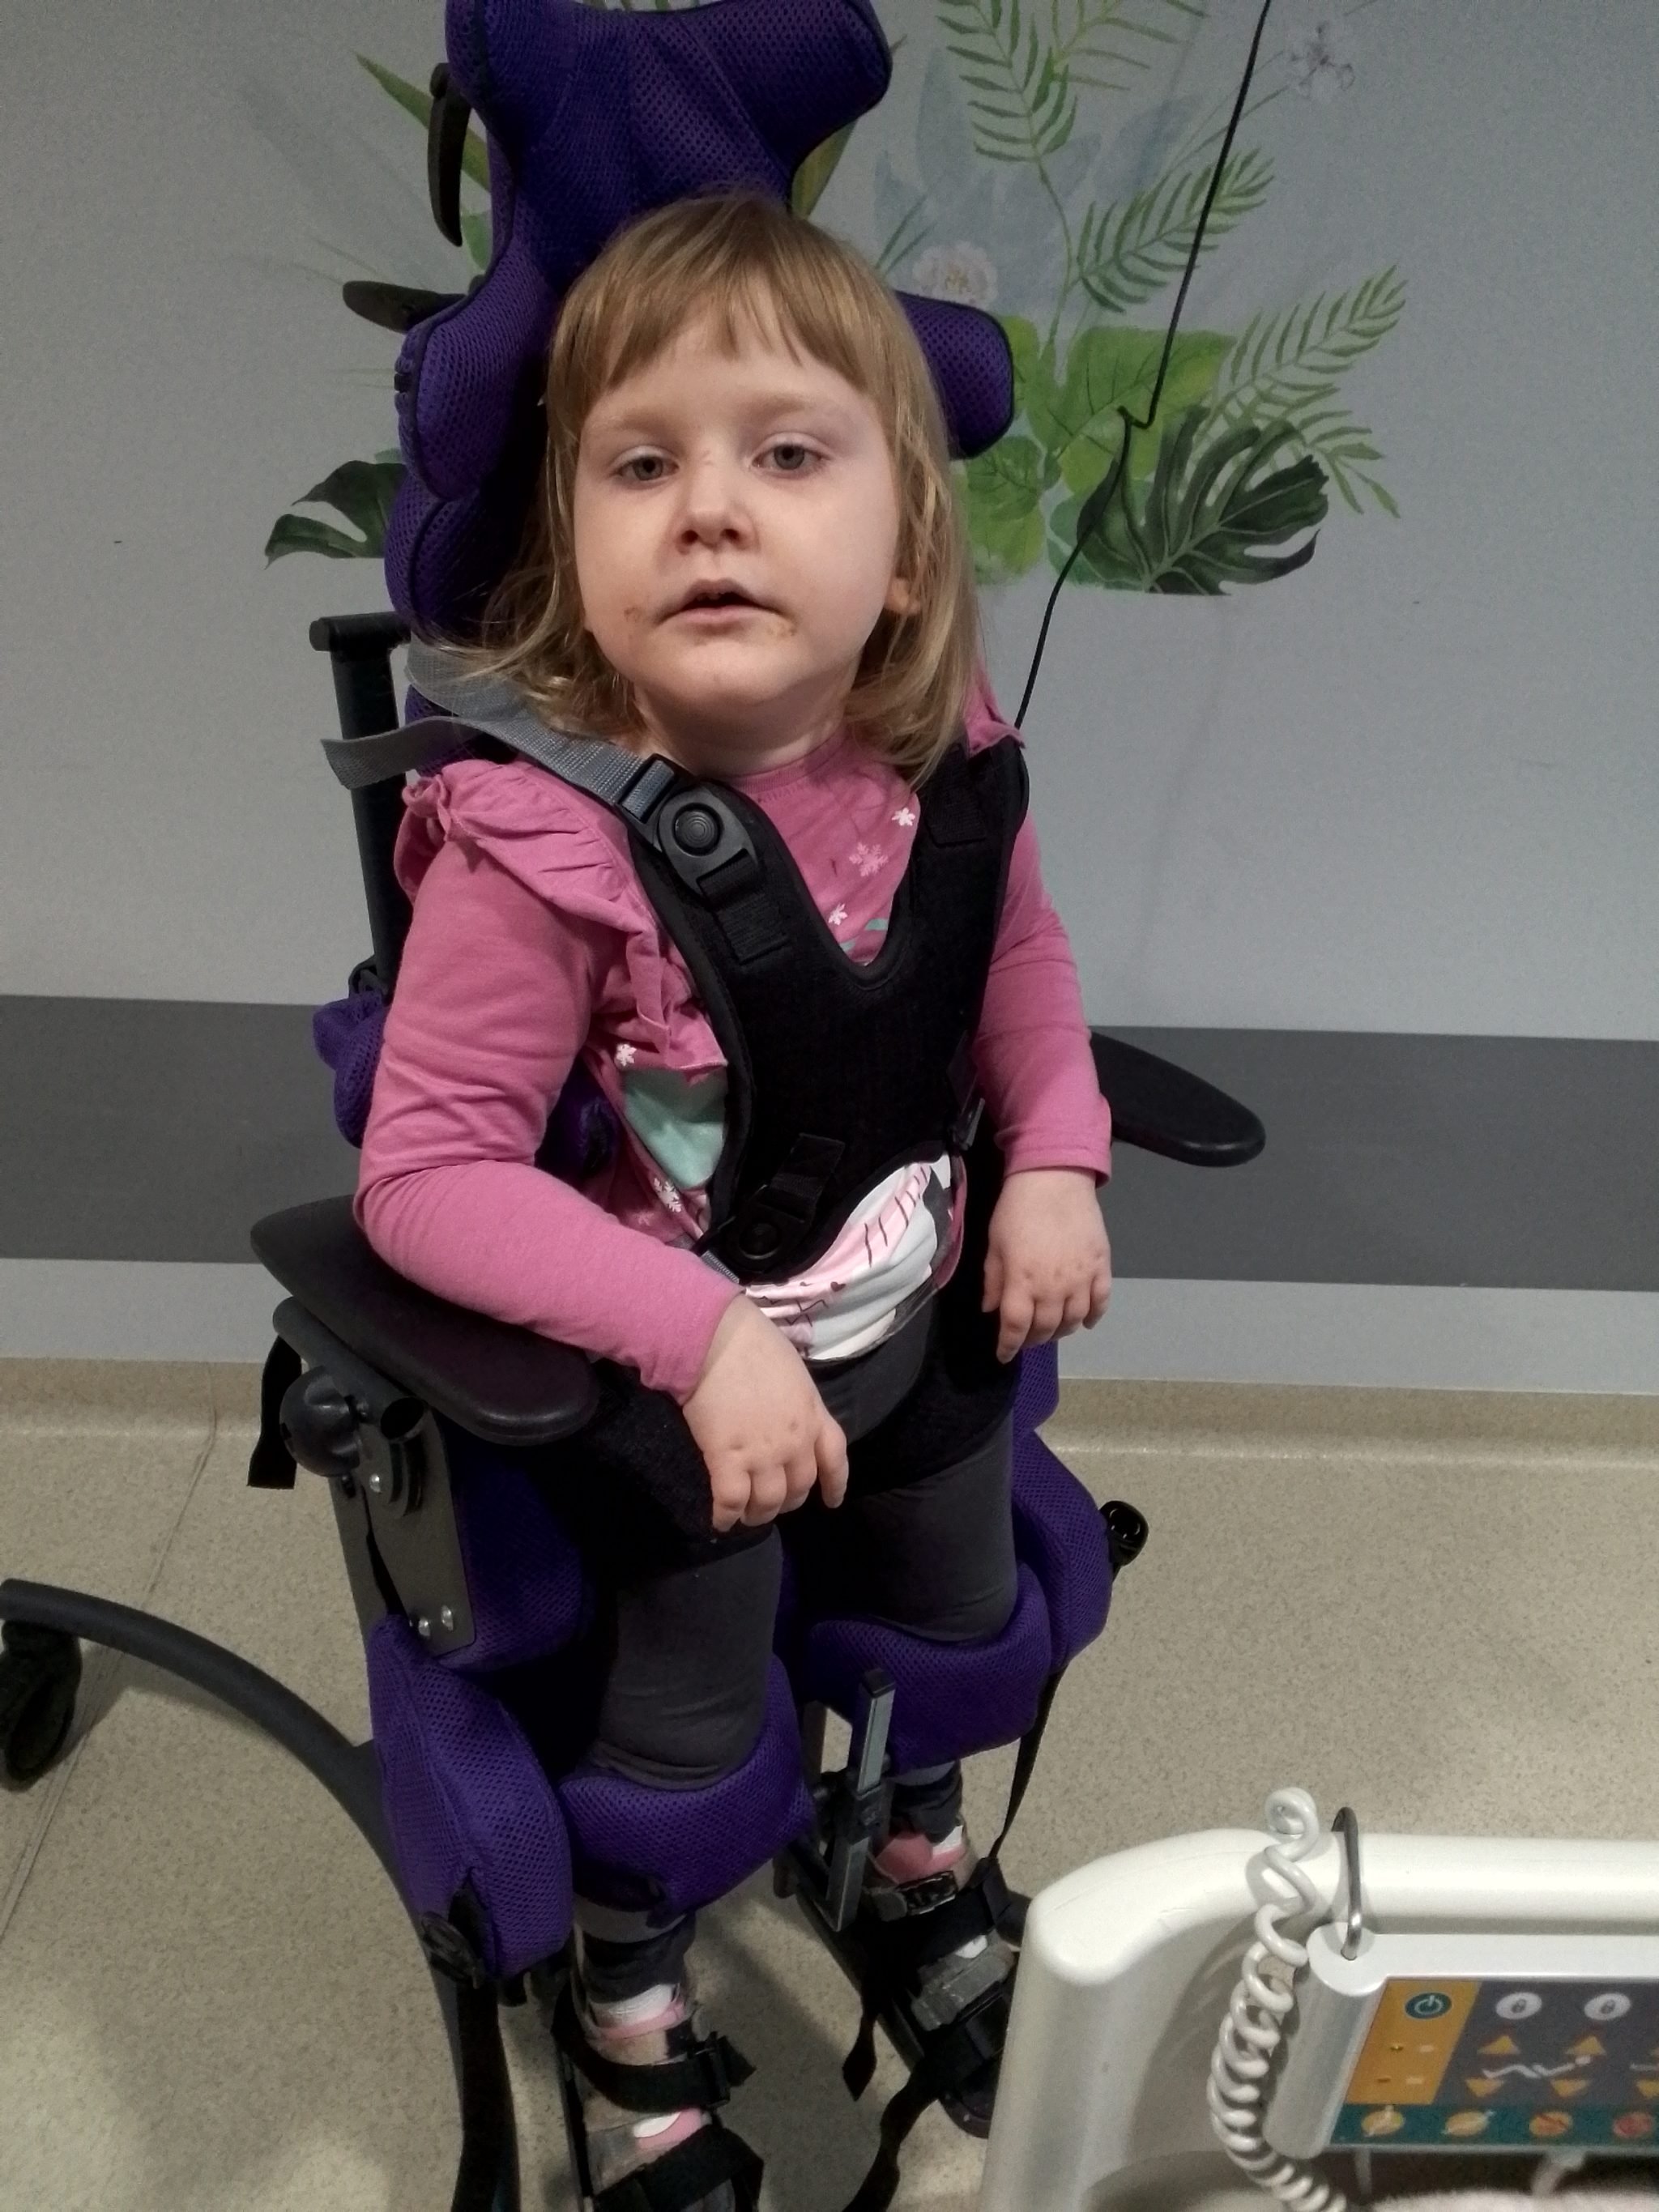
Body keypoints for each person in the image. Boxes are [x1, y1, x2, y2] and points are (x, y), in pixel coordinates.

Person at [357, 189, 1112, 2206]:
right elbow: (422, 1176)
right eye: (641, 466)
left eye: (786, 454)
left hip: (918, 1319)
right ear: (569, 543)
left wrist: (1055, 1148)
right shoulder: (541, 847)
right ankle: (629, 2014)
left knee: (956, 1627)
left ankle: (913, 1862)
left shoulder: (940, 755)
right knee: (685, 1748)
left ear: (903, 548)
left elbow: (1014, 964)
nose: (709, 507)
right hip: (680, 1383)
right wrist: (697, 1341)